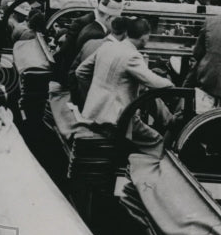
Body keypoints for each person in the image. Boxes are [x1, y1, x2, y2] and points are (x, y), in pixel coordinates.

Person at [74, 18, 174, 146]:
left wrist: (96, 94)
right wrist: (171, 84)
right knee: (158, 141)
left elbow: (80, 72)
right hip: (116, 120)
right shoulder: (132, 55)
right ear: (144, 37)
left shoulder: (107, 46)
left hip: (93, 114)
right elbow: (155, 83)